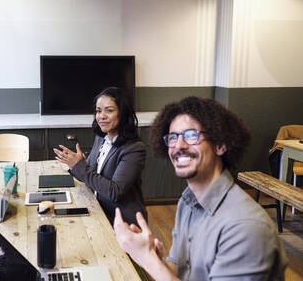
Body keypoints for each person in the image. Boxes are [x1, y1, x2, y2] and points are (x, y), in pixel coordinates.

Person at [114, 96, 288, 280]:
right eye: (173, 137)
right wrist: (155, 259)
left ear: (220, 145)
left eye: (191, 135)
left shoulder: (245, 227)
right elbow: (176, 268)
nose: (179, 146)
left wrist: (145, 258)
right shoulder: (187, 203)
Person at [54, 87, 147, 225]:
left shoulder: (134, 149)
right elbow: (91, 178)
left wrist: (80, 166)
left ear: (123, 113)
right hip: (98, 209)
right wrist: (78, 164)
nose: (101, 116)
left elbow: (114, 192)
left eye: (109, 110)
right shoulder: (101, 137)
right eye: (98, 111)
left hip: (123, 222)